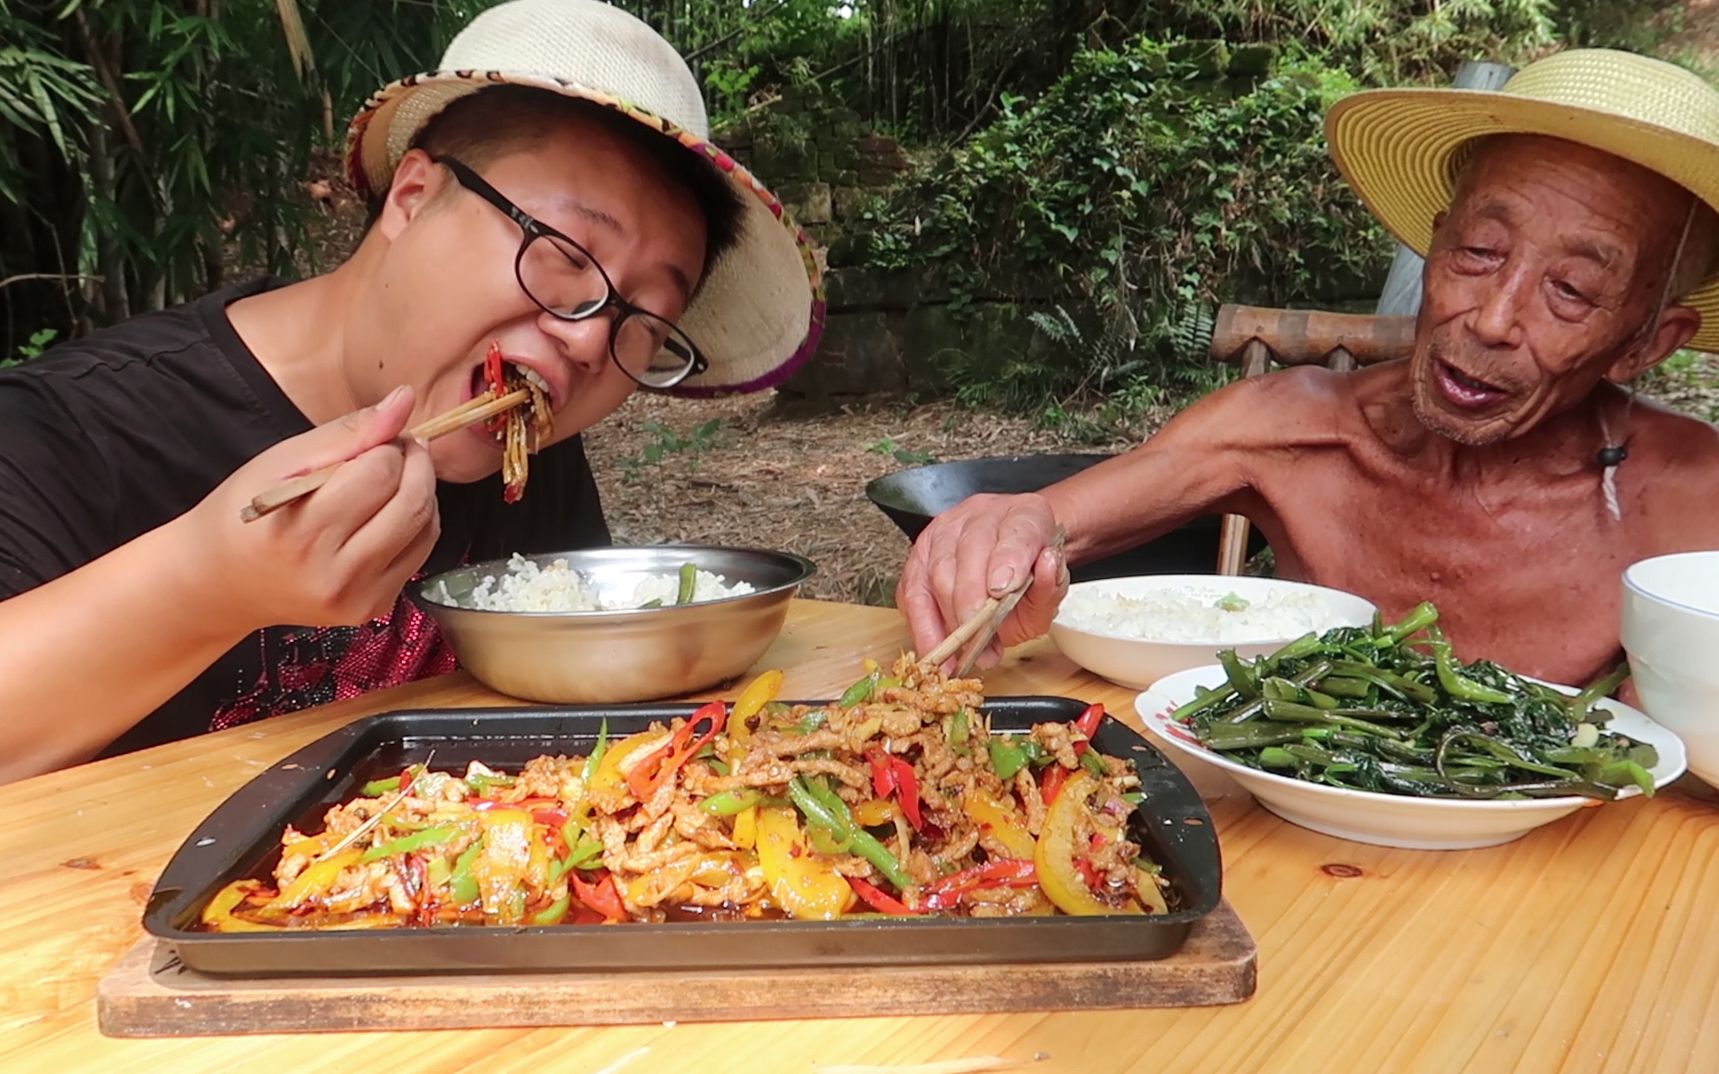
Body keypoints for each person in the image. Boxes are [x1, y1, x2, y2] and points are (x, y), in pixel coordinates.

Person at [0, 0, 822, 782]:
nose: (586, 338)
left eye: (644, 319)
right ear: (413, 196)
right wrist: (205, 584)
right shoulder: (62, 431)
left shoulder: (534, 461)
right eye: (566, 254)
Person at [898, 48, 1719, 689]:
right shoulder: (1287, 429)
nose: (1493, 318)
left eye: (1571, 290)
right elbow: (1049, 518)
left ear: (1645, 342)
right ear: (1433, 241)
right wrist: (998, 536)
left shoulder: (1694, 503)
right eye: (1477, 250)